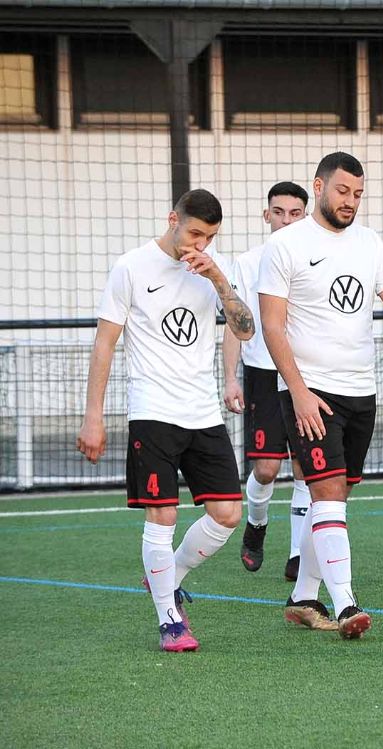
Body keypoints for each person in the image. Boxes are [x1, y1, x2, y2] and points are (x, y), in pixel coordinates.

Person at [259, 152, 383, 638]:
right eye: (343, 191)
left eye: (358, 194)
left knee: (334, 498)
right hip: (311, 391)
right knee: (326, 495)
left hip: (360, 391)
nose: (350, 201)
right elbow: (272, 326)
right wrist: (298, 391)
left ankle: (303, 597)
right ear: (319, 187)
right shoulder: (285, 245)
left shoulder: (369, 242)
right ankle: (346, 604)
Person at [77, 189, 254, 652]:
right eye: (195, 233)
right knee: (163, 515)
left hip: (203, 412)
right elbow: (104, 343)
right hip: (152, 410)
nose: (201, 244)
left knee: (228, 513)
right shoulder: (131, 267)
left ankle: (168, 577)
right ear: (173, 219)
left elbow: (245, 329)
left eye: (210, 237)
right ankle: (169, 621)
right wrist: (93, 416)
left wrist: (218, 278)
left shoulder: (215, 269)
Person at [222, 181, 310, 581]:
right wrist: (230, 378)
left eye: (295, 213)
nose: (286, 220)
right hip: (262, 373)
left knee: (307, 466)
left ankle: (298, 554)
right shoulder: (248, 263)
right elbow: (234, 324)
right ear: (266, 215)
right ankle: (256, 524)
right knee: (267, 469)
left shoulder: (316, 258)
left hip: (307, 373)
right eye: (279, 212)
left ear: (305, 216)